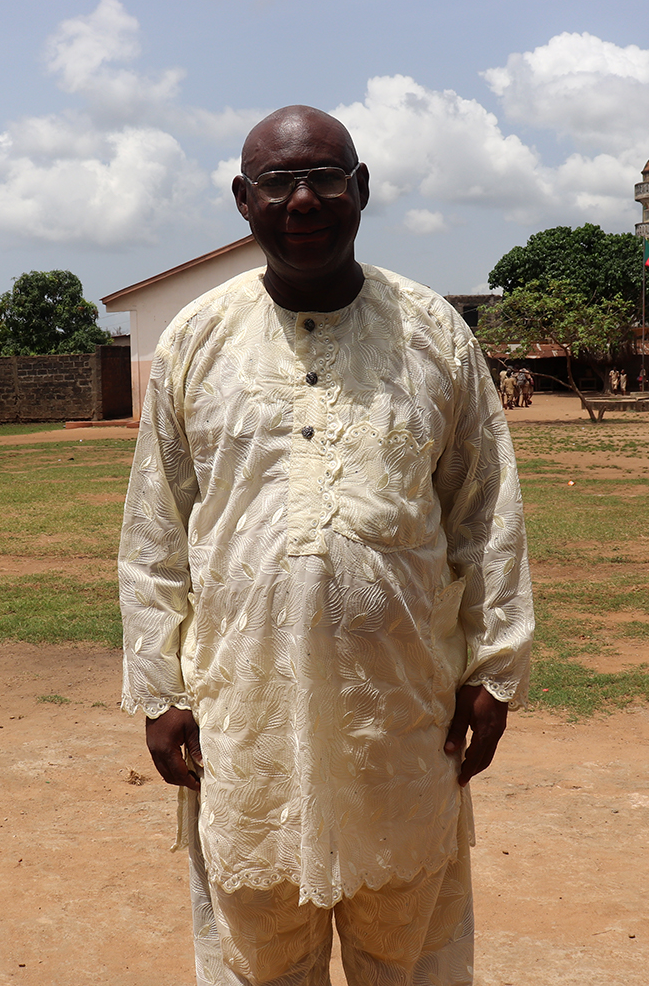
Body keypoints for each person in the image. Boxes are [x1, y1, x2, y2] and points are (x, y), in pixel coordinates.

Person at [120, 105, 533, 986]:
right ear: (243, 200)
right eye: (278, 182)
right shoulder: (196, 339)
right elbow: (155, 532)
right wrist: (157, 689)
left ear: (363, 191)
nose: (303, 199)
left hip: (406, 717)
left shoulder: (433, 336)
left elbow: (485, 515)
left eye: (325, 178)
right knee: (256, 957)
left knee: (411, 953)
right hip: (245, 718)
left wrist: (494, 672)